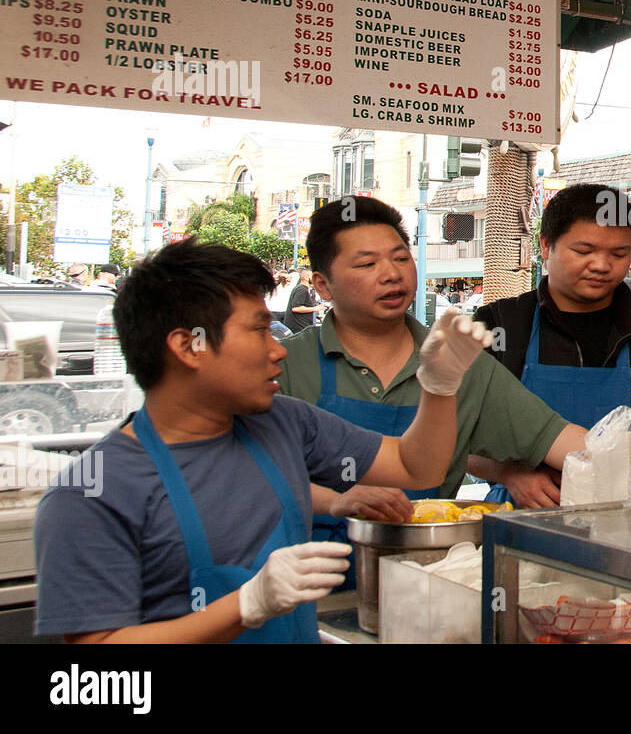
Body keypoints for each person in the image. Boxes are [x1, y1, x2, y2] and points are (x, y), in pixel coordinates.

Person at [32, 238, 489, 643]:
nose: (277, 350)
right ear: (187, 345)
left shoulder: (284, 423)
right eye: (258, 329)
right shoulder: (92, 492)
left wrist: (440, 386)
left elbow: (417, 468)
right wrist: (246, 605)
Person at [274, 196, 586, 543]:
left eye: (401, 258)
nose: (392, 274)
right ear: (322, 285)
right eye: (366, 264)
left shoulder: (456, 362)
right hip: (304, 581)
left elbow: (565, 442)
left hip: (427, 574)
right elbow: (252, 480)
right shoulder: (282, 365)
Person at [473, 183, 631, 507]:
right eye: (584, 251)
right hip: (524, 517)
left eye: (618, 254)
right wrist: (508, 472)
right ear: (546, 245)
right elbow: (452, 438)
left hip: (629, 515)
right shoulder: (501, 324)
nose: (602, 265)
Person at [283, 267, 319, 333]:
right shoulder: (301, 290)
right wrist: (315, 308)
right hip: (298, 327)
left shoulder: (304, 289)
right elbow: (296, 308)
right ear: (306, 277)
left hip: (303, 325)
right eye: (312, 276)